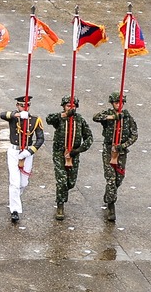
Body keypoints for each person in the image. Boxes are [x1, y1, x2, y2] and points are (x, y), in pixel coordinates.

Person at [93, 92, 139, 222]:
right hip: (109, 149)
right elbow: (96, 117)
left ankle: (109, 194)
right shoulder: (108, 113)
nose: (119, 105)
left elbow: (134, 135)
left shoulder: (127, 117)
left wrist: (123, 145)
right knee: (111, 178)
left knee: (119, 178)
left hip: (121, 152)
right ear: (112, 103)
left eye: (121, 102)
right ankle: (111, 205)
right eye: (116, 102)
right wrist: (112, 117)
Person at [0, 95, 45, 225]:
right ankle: (14, 210)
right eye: (22, 105)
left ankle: (14, 199)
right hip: (14, 151)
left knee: (23, 183)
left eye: (27, 105)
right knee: (14, 182)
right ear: (17, 106)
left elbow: (40, 138)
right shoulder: (14, 118)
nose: (25, 107)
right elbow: (2, 115)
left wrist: (30, 151)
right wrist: (16, 115)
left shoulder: (35, 120)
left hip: (27, 152)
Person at [47, 95, 93, 221]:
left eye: (73, 106)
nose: (71, 108)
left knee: (70, 182)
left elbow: (89, 137)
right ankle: (60, 205)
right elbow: (48, 119)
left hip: (73, 154)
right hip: (59, 153)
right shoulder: (60, 118)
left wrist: (77, 151)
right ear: (63, 106)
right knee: (61, 180)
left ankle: (63, 193)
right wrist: (64, 115)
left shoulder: (80, 120)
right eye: (68, 106)